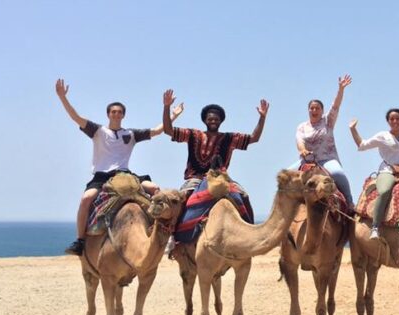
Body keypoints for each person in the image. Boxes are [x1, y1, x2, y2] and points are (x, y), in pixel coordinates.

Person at [56, 79, 183, 256]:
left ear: (123, 115)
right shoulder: (97, 131)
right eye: (113, 112)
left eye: (119, 112)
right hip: (102, 177)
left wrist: (173, 114)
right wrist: (62, 97)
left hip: (126, 175)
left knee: (155, 190)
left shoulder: (130, 134)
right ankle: (80, 240)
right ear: (108, 114)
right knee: (86, 199)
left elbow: (157, 131)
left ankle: (164, 233)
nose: (116, 114)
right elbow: (75, 117)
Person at [162, 89, 268, 203]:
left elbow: (254, 138)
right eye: (210, 119)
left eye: (216, 119)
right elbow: (168, 130)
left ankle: (249, 221)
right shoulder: (192, 134)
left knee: (243, 197)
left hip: (221, 180)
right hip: (195, 180)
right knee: (181, 200)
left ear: (221, 121)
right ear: (205, 121)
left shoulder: (230, 138)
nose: (213, 121)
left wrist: (262, 117)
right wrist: (167, 106)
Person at [350, 109, 399, 239]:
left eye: (398, 118)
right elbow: (362, 145)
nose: (395, 121)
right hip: (388, 171)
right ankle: (375, 227)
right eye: (392, 119)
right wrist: (353, 129)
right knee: (385, 191)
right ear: (388, 121)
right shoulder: (383, 136)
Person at [290, 75, 354, 207]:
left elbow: (336, 105)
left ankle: (349, 202)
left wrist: (341, 89)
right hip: (307, 160)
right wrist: (302, 150)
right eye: (312, 108)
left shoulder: (328, 121)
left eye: (317, 108)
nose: (314, 110)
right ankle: (281, 212)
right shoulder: (302, 126)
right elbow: (299, 141)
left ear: (322, 110)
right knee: (284, 177)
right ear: (308, 110)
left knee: (338, 173)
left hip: (327, 159)